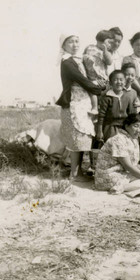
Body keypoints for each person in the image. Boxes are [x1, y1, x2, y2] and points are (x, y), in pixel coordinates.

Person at [56, 33, 105, 182]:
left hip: (84, 103)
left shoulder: (80, 60)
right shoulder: (67, 62)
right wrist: (98, 89)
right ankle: (74, 174)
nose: (75, 45)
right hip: (73, 103)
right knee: (76, 140)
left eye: (77, 41)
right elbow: (82, 80)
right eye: (70, 42)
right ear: (63, 45)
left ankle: (79, 172)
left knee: (83, 139)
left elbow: (90, 76)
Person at [96, 70, 138, 144]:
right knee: (113, 146)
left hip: (124, 127)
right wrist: (100, 131)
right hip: (110, 127)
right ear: (111, 83)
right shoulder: (107, 98)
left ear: (125, 82)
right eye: (115, 80)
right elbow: (101, 116)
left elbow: (131, 114)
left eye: (121, 80)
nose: (119, 82)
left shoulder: (127, 96)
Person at [83, 30, 114, 116]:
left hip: (102, 78)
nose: (110, 45)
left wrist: (105, 52)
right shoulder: (89, 48)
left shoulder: (106, 52)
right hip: (91, 77)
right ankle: (95, 109)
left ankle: (95, 108)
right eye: (109, 42)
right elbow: (84, 58)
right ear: (101, 41)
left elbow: (109, 62)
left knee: (94, 89)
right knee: (91, 88)